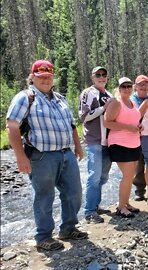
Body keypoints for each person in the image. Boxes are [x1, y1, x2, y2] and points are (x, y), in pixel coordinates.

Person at [7, 60, 87, 250]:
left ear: (53, 78)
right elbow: (12, 126)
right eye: (41, 76)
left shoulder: (61, 98)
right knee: (44, 196)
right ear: (32, 77)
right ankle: (43, 236)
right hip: (42, 156)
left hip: (66, 154)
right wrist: (20, 156)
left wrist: (78, 146)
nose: (45, 80)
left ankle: (68, 228)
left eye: (49, 76)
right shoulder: (25, 97)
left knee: (74, 193)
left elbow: (72, 125)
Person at [104, 77, 143, 218]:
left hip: (134, 142)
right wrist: (128, 128)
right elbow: (107, 123)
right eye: (123, 86)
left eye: (129, 86)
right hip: (120, 143)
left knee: (130, 175)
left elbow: (133, 120)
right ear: (119, 89)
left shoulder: (132, 102)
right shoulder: (116, 103)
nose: (126, 88)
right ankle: (120, 207)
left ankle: (126, 203)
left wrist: (139, 126)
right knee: (127, 176)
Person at [79, 66, 113, 224]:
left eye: (104, 75)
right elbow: (84, 117)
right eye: (98, 75)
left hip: (108, 142)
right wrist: (103, 109)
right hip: (94, 141)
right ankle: (89, 211)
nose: (101, 77)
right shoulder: (88, 93)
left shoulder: (110, 95)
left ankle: (96, 205)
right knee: (94, 176)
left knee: (103, 177)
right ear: (92, 77)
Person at [130, 75, 148, 201]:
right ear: (135, 86)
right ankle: (139, 191)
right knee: (138, 165)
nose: (143, 86)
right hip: (136, 138)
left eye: (145, 84)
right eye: (140, 84)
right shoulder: (131, 100)